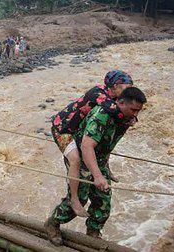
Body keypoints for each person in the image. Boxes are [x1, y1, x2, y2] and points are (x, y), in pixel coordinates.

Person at [45, 87, 147, 245]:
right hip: (82, 156)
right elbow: (87, 146)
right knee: (79, 198)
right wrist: (98, 176)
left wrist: (105, 169)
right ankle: (53, 223)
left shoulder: (126, 118)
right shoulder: (102, 114)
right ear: (120, 102)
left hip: (99, 159)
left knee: (103, 200)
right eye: (133, 109)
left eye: (138, 111)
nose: (135, 115)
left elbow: (108, 142)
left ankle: (93, 232)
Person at [50, 70, 134, 218]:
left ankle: (106, 168)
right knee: (75, 159)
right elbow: (114, 110)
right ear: (114, 86)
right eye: (126, 88)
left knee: (102, 142)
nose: (129, 91)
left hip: (75, 128)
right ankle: (74, 200)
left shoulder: (114, 96)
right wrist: (129, 113)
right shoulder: (99, 93)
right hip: (62, 128)